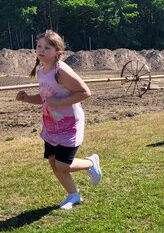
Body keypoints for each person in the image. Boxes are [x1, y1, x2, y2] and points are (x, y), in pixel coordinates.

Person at [16, 30, 102, 210]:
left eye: (46, 47)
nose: (41, 50)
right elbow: (45, 98)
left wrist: (60, 102)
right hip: (51, 125)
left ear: (57, 52)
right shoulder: (41, 72)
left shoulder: (61, 70)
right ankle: (73, 195)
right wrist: (27, 98)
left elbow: (85, 92)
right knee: (53, 162)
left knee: (63, 165)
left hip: (69, 125)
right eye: (39, 46)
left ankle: (90, 163)